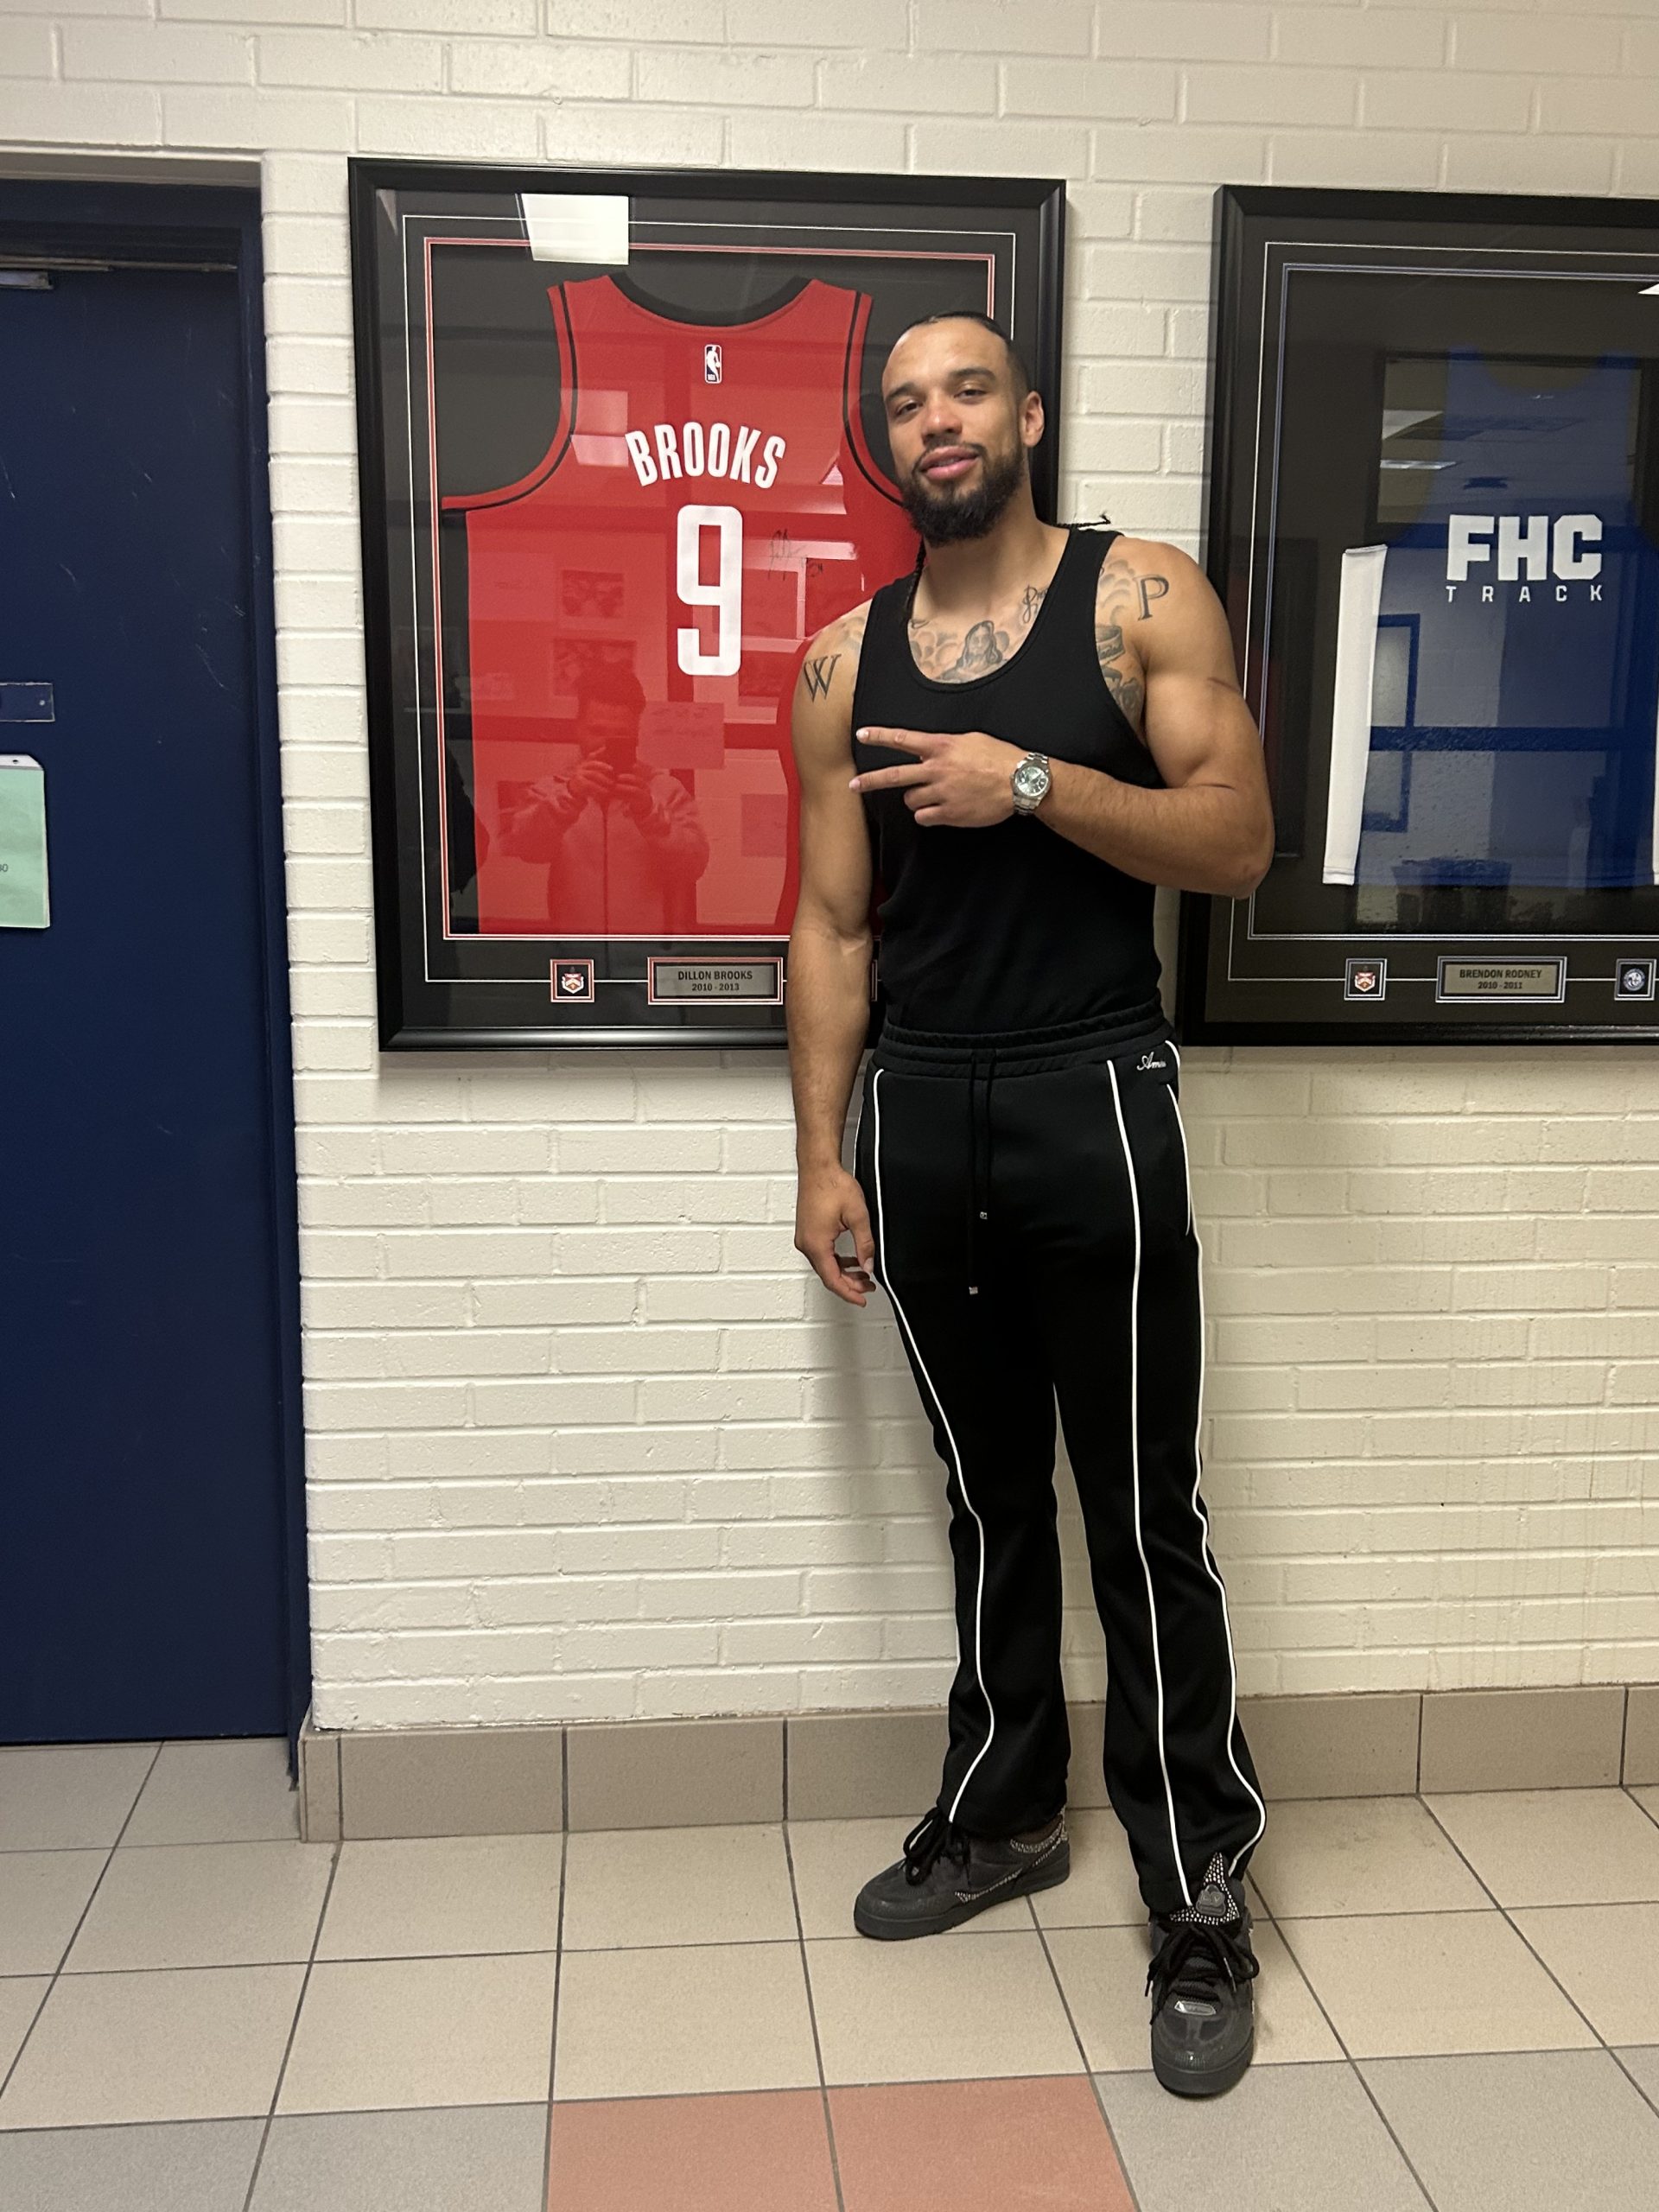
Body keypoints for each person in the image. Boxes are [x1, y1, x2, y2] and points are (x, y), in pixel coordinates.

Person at [785, 308, 1276, 2100]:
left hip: (1095, 1098)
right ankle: (1005, 1814)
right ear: (885, 447)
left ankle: (1197, 1888)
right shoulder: (841, 661)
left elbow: (1234, 840)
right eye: (905, 402)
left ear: (1030, 412)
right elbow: (833, 922)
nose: (939, 421)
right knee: (988, 1500)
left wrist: (1042, 779)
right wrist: (822, 1151)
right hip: (923, 1118)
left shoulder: (1143, 599)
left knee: (1142, 1508)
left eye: (967, 388)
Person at [494, 663, 709, 934]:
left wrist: (650, 815)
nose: (606, 745)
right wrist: (569, 797)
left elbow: (693, 867)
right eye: (597, 731)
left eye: (620, 735)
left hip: (647, 958)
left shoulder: (665, 791)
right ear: (578, 729)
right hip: (576, 959)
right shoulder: (552, 791)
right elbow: (525, 849)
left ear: (636, 734)